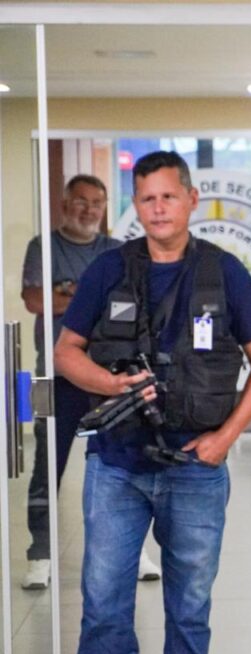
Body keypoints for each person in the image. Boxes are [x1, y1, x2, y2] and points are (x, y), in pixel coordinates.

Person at [54, 150, 251, 654]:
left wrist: (225, 438)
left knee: (190, 606)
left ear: (190, 200)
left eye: (169, 197)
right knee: (104, 600)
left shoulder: (224, 272)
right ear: (137, 205)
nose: (158, 209)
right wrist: (111, 384)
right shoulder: (109, 268)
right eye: (148, 199)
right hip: (117, 465)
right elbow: (67, 351)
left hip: (196, 464)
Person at [17, 174, 165, 590]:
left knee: (124, 464)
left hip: (108, 378)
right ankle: (40, 555)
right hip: (57, 375)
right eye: (81, 201)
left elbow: (130, 306)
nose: (90, 209)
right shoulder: (42, 247)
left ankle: (134, 551)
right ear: (65, 204)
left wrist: (66, 292)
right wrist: (91, 297)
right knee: (48, 466)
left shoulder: (116, 252)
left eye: (97, 202)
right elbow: (34, 300)